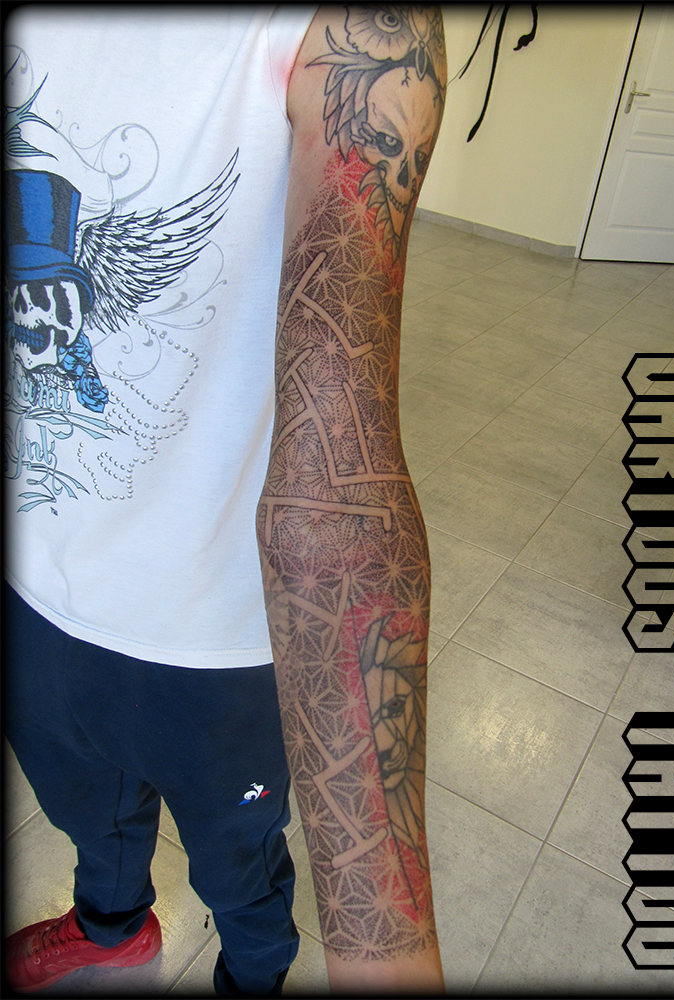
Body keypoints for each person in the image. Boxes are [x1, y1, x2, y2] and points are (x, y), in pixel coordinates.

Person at [3, 5, 446, 997]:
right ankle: (111, 929)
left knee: (238, 863)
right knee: (89, 814)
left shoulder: (361, 35)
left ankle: (254, 978)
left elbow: (339, 482)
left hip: (214, 638)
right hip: (35, 589)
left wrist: (382, 945)